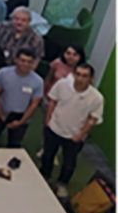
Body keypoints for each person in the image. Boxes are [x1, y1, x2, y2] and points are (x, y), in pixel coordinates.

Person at [42, 64, 103, 197]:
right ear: (74, 74)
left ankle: (61, 184)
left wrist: (80, 134)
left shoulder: (96, 97)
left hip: (74, 136)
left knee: (69, 164)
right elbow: (52, 101)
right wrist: (48, 120)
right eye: (78, 74)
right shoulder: (62, 84)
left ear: (91, 78)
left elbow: (93, 118)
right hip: (54, 128)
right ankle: (44, 177)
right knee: (48, 155)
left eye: (85, 76)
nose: (80, 78)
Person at [0, 49, 43, 148]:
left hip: (20, 117)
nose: (25, 64)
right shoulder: (3, 73)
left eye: (29, 62)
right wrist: (1, 115)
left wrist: (21, 121)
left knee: (14, 145)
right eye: (22, 60)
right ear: (16, 60)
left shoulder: (38, 81)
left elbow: (34, 104)